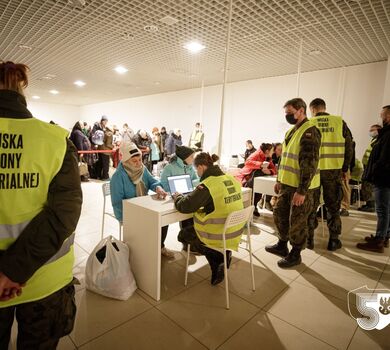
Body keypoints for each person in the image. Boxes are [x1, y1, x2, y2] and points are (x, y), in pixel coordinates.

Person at [0, 61, 82, 348]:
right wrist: (13, 271)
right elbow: (64, 213)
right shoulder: (55, 139)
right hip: (45, 279)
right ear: (22, 88)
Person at [173, 153, 244, 285]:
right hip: (235, 232)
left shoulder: (208, 185)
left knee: (183, 235)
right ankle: (224, 253)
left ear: (201, 167)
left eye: (196, 169)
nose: (197, 172)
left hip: (216, 235)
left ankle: (216, 258)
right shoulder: (231, 179)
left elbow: (185, 206)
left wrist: (177, 197)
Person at [265, 98, 321, 268]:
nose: (287, 116)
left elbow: (309, 163)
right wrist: (279, 179)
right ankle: (282, 244)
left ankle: (296, 253)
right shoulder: (291, 132)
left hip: (302, 187)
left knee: (297, 221)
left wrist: (302, 191)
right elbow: (284, 157)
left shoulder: (310, 131)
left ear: (301, 111)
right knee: (279, 214)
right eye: (286, 113)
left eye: (290, 113)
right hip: (287, 185)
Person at [110, 143, 175, 258]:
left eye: (140, 159)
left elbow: (152, 181)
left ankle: (159, 247)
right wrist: (126, 220)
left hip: (143, 208)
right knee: (149, 224)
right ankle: (144, 253)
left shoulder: (142, 169)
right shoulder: (118, 177)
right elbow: (117, 203)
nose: (139, 163)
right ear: (126, 161)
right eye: (134, 161)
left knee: (162, 220)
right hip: (128, 213)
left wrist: (158, 188)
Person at [306, 98, 353, 251]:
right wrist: (345, 168)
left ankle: (309, 239)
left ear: (312, 109)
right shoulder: (339, 122)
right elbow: (349, 147)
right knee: (333, 206)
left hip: (314, 172)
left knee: (311, 206)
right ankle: (333, 240)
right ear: (324, 108)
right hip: (333, 171)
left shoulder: (309, 123)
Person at [357, 105, 390, 253]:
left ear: (388, 116)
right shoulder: (386, 133)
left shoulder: (388, 134)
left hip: (383, 179)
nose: (381, 118)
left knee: (382, 210)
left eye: (382, 115)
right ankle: (383, 237)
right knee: (386, 210)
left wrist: (375, 173)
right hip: (384, 177)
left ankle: (379, 241)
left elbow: (384, 159)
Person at [236, 143, 277, 216]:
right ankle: (252, 206)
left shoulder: (268, 158)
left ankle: (253, 205)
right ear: (267, 151)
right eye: (272, 150)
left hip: (255, 180)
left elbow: (274, 169)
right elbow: (247, 162)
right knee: (258, 176)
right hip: (246, 177)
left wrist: (270, 171)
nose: (273, 152)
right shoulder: (257, 153)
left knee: (260, 185)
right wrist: (261, 164)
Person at [359, 124, 382, 212]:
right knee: (366, 185)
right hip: (368, 166)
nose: (371, 131)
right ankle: (368, 203)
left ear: (378, 131)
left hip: (371, 167)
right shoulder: (374, 140)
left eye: (373, 130)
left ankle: (371, 205)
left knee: (369, 186)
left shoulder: (378, 141)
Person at [93, 116, 113, 180]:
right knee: (106, 165)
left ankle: (98, 176)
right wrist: (113, 146)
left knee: (100, 164)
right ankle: (105, 177)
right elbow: (108, 144)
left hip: (100, 149)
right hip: (106, 151)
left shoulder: (104, 132)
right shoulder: (110, 134)